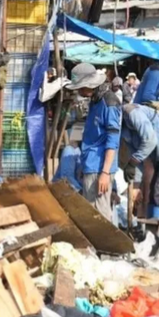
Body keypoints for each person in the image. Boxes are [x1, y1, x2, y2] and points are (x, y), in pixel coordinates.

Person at [66, 63, 122, 222]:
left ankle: (107, 246)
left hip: (100, 167)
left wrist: (104, 173)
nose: (79, 92)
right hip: (90, 163)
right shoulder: (95, 100)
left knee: (100, 214)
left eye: (80, 88)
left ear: (89, 85)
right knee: (90, 211)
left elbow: (113, 140)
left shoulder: (109, 102)